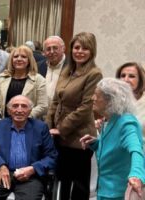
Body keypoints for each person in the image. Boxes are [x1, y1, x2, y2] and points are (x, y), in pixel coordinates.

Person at [46, 32, 103, 200]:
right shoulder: (67, 71)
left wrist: (61, 129)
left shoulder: (94, 73)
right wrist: (49, 126)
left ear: (92, 51)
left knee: (78, 185)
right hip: (59, 136)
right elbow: (56, 101)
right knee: (62, 180)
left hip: (79, 137)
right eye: (76, 47)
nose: (80, 51)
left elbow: (85, 108)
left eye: (85, 48)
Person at [0, 95, 58, 200]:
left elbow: (52, 156)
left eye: (24, 106)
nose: (19, 110)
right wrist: (0, 166)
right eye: (15, 106)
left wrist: (33, 169)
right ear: (9, 110)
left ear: (30, 110)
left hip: (30, 177)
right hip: (1, 174)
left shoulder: (40, 128)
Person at [80, 78, 145, 199]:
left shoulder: (126, 122)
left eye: (97, 95)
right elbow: (116, 146)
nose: (92, 98)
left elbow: (136, 150)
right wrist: (96, 143)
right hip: (104, 191)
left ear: (110, 100)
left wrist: (136, 175)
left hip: (118, 194)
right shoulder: (110, 119)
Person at [0, 45, 47, 120]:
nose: (19, 59)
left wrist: (23, 117)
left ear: (29, 60)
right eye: (15, 56)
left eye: (23, 56)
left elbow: (43, 105)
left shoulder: (39, 80)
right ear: (11, 60)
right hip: (4, 122)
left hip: (28, 124)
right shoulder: (2, 78)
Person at [116, 62, 145, 137]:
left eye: (131, 76)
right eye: (122, 76)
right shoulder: (114, 100)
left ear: (141, 80)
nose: (125, 80)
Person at [39, 36, 67, 104]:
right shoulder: (39, 66)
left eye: (55, 48)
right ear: (44, 52)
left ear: (63, 49)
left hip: (64, 112)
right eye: (48, 49)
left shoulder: (73, 66)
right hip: (43, 112)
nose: (51, 51)